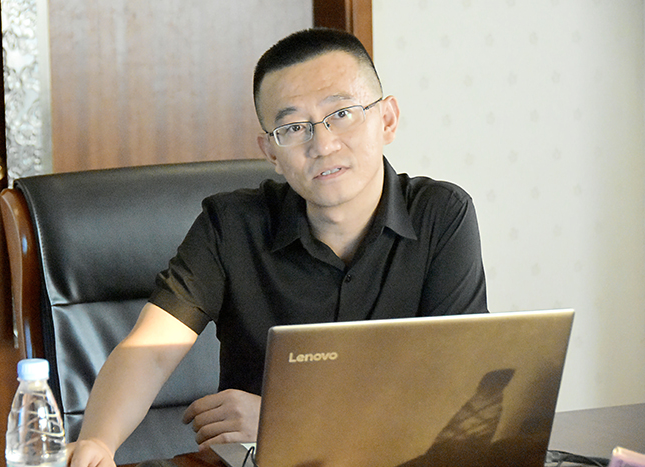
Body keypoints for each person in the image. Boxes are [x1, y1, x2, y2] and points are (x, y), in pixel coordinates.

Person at [68, 28, 488, 467]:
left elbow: (458, 391)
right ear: (270, 152)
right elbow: (150, 351)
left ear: (387, 120)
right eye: (293, 128)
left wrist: (285, 421)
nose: (323, 145)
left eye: (342, 113)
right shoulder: (230, 226)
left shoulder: (441, 215)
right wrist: (98, 441)